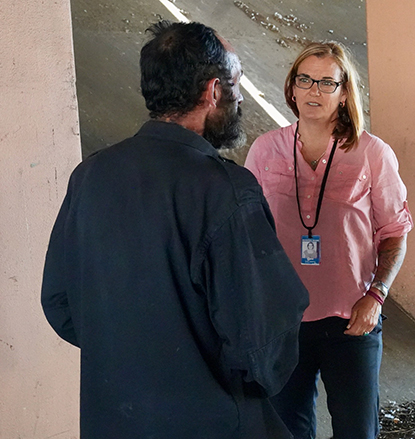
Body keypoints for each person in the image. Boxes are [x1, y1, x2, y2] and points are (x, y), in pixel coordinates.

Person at [41, 21, 309, 439]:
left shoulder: (89, 175)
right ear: (213, 91)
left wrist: (124, 358)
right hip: (213, 421)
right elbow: (264, 342)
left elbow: (59, 302)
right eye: (236, 83)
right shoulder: (226, 191)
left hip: (113, 419)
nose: (239, 96)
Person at [245, 41, 413, 439]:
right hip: (283, 320)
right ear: (291, 88)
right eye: (305, 80)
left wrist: (376, 297)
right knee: (285, 430)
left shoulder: (373, 153)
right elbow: (247, 233)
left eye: (326, 83)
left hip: (352, 319)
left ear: (344, 93)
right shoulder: (265, 149)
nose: (313, 91)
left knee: (358, 431)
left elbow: (395, 233)